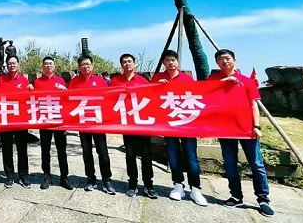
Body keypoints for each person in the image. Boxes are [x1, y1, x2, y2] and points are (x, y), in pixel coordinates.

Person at [209, 49, 274, 217]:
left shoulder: (246, 81)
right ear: (217, 63)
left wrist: (257, 126)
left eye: (227, 58)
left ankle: (263, 199)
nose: (225, 62)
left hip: (246, 128)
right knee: (230, 164)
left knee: (256, 164)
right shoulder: (213, 80)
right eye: (221, 59)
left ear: (234, 60)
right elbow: (206, 95)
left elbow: (254, 105)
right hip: (225, 129)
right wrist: (224, 82)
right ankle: (236, 196)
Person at [151, 50, 207, 205]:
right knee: (172, 154)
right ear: (164, 62)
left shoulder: (187, 78)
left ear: (177, 61)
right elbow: (150, 98)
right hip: (168, 124)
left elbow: (196, 97)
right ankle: (178, 185)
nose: (171, 63)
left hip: (187, 123)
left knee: (191, 156)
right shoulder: (158, 78)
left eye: (173, 60)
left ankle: (195, 188)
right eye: (167, 60)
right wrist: (157, 87)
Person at [111, 54, 156, 199]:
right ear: (121, 65)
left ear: (135, 64)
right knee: (130, 155)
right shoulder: (116, 81)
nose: (127, 64)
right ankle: (132, 184)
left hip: (142, 124)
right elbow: (109, 99)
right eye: (124, 62)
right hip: (126, 124)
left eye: (130, 61)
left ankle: (149, 185)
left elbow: (152, 98)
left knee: (146, 155)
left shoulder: (143, 81)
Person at [70, 55, 115, 193]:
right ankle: (91, 178)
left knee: (103, 152)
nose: (85, 66)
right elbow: (69, 100)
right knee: (87, 152)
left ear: (92, 65)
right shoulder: (74, 82)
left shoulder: (100, 81)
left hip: (98, 122)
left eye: (88, 64)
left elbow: (108, 99)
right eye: (83, 64)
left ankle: (107, 179)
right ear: (79, 67)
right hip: (83, 122)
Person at [32, 56, 72, 190]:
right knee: (45, 149)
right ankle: (47, 176)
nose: (48, 65)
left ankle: (64, 177)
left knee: (62, 150)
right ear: (43, 66)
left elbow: (66, 101)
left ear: (54, 66)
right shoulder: (37, 82)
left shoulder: (60, 81)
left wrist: (65, 92)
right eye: (46, 64)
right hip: (44, 120)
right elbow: (32, 99)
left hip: (59, 120)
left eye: (50, 63)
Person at [0, 55, 31, 188]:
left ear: (18, 64)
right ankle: (9, 176)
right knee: (7, 149)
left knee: (22, 149)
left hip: (21, 120)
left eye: (14, 63)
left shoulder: (24, 80)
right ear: (7, 65)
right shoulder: (1, 79)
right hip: (6, 119)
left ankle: (23, 176)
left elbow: (29, 98)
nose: (12, 65)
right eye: (9, 63)